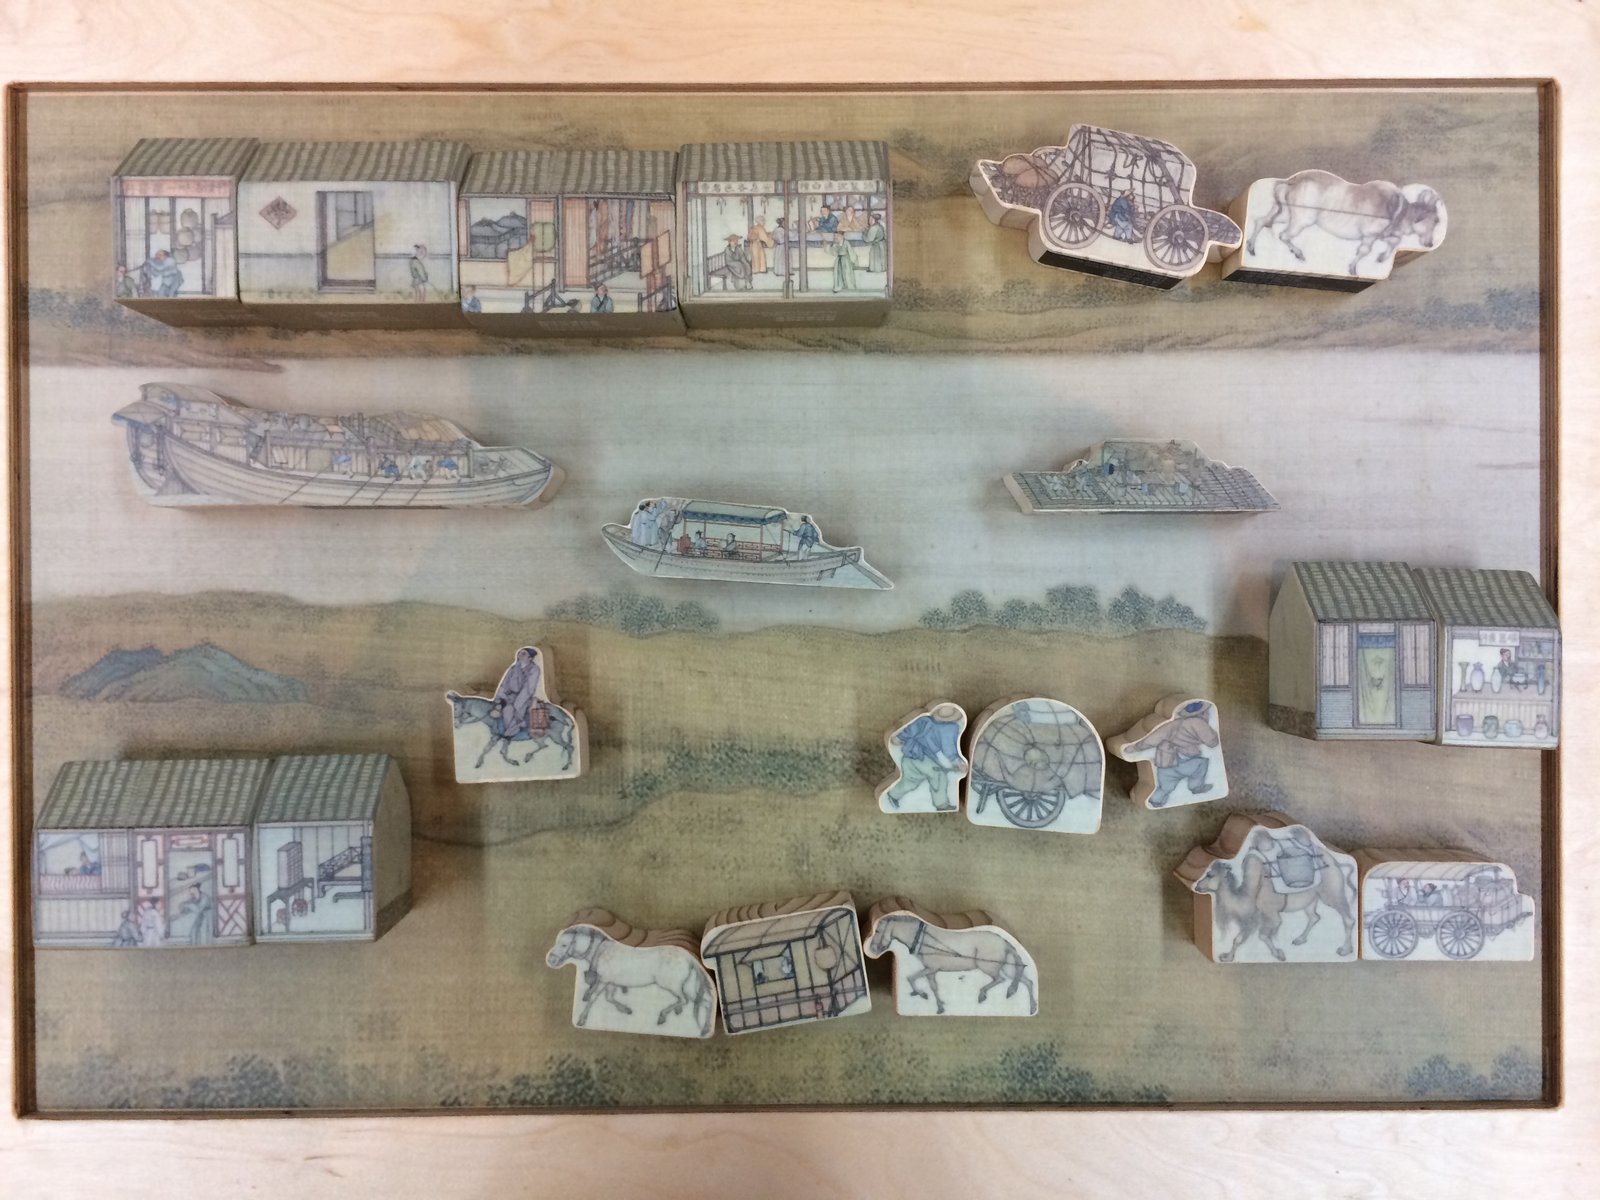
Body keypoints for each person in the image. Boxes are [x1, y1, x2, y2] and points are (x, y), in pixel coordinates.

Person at [1121, 700, 1219, 808]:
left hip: (1168, 761)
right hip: (1189, 760)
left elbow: (1154, 738)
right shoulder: (1198, 723)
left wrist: (1136, 747)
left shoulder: (1172, 724)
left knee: (1166, 786)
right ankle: (1196, 787)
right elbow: (1212, 742)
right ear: (1203, 712)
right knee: (1202, 764)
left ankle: (1155, 800)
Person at [884, 703, 967, 811]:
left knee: (910, 781)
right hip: (922, 757)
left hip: (911, 756)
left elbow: (906, 732)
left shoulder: (923, 721)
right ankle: (942, 805)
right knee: (939, 776)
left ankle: (893, 795)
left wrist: (899, 738)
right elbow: (949, 749)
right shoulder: (950, 728)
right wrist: (957, 762)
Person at [491, 646, 549, 742]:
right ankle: (511, 730)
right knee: (506, 709)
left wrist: (517, 703)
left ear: (530, 658)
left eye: (524, 654)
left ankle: (512, 732)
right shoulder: (514, 668)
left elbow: (528, 689)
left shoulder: (534, 669)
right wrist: (503, 696)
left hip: (525, 698)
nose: (520, 655)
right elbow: (504, 684)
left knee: (516, 709)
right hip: (510, 696)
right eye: (519, 653)